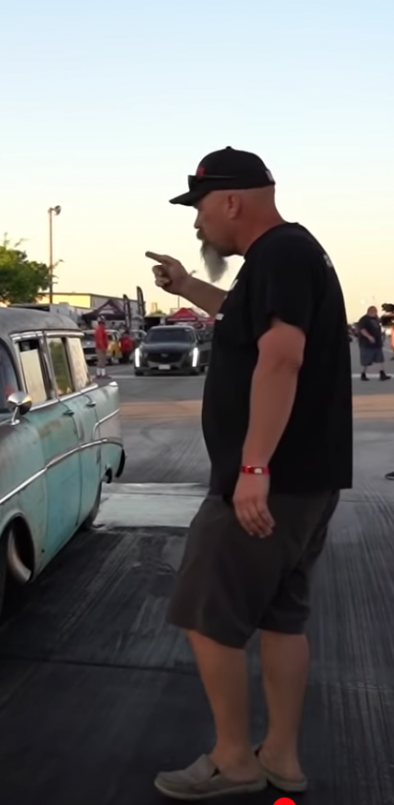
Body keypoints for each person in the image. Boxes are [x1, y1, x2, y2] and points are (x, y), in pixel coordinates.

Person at [145, 147, 352, 800]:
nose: (198, 225)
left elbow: (282, 357)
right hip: (307, 482)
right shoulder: (284, 259)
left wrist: (254, 464)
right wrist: (186, 287)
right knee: (282, 618)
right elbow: (241, 317)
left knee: (209, 614)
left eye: (200, 209)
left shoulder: (281, 254)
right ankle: (281, 760)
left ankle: (234, 759)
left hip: (270, 483)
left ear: (231, 201)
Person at [355, 305, 389, 381]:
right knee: (366, 361)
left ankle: (382, 374)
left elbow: (380, 326)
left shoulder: (376, 319)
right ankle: (363, 374)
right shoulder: (364, 319)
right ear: (371, 311)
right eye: (375, 311)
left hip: (377, 343)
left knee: (380, 359)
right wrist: (369, 337)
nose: (376, 313)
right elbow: (362, 330)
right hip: (367, 344)